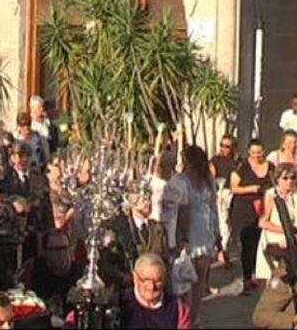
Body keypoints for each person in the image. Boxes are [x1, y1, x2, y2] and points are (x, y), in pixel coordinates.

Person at [163, 145, 221, 326]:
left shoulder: (207, 179)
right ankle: (185, 320)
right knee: (186, 280)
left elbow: (213, 206)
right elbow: (180, 212)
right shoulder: (181, 181)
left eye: (185, 160)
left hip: (204, 231)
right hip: (189, 233)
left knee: (200, 282)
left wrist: (217, 232)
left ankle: (196, 318)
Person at [230, 138, 274, 293]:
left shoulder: (271, 166)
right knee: (246, 244)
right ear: (249, 152)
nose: (256, 156)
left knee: (259, 243)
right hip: (244, 209)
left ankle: (260, 275)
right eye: (253, 153)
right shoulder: (242, 166)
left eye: (259, 152)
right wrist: (252, 189)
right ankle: (247, 278)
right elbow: (234, 187)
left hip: (264, 208)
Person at [100, 190, 166, 289]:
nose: (147, 202)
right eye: (141, 198)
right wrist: (123, 278)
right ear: (130, 201)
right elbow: (107, 263)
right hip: (126, 290)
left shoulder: (158, 229)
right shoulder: (118, 228)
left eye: (148, 198)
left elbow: (165, 259)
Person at [17, 230, 83, 319]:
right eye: (54, 249)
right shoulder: (32, 268)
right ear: (45, 251)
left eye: (64, 248)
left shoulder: (81, 273)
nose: (60, 254)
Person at [256, 163, 297, 282]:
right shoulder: (271, 194)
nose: (289, 182)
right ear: (278, 179)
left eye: (292, 178)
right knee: (275, 279)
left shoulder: (296, 194)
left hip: (292, 239)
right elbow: (263, 222)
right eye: (285, 178)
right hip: (274, 237)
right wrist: (284, 230)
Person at [119, 253, 191, 329]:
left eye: (158, 281)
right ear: (135, 278)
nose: (152, 287)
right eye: (146, 280)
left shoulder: (176, 308)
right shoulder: (121, 302)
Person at [210, 134, 240, 266]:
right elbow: (211, 175)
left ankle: (225, 248)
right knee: (222, 222)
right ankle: (222, 250)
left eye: (227, 146)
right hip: (218, 193)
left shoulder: (238, 162)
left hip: (231, 193)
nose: (223, 149)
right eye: (221, 145)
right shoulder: (215, 160)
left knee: (228, 223)